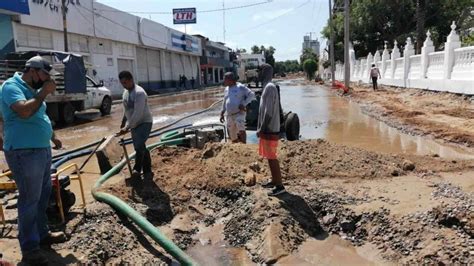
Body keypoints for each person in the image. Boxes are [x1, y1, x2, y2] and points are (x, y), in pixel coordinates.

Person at [0, 56, 65, 264]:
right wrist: (44, 92)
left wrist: (52, 136)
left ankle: (42, 235)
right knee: (29, 200)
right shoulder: (11, 86)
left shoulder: (34, 91)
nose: (47, 80)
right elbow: (26, 111)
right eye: (45, 75)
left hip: (41, 149)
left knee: (43, 195)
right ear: (33, 71)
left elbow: (41, 116)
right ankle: (29, 248)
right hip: (24, 152)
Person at [118, 71, 154, 179]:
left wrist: (126, 128)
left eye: (125, 82)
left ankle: (137, 169)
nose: (124, 85)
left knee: (139, 146)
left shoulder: (139, 93)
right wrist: (123, 121)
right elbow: (127, 109)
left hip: (144, 122)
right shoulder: (125, 92)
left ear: (131, 80)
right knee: (140, 146)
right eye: (122, 83)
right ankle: (147, 171)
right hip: (133, 124)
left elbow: (137, 113)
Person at [257, 64, 286, 196]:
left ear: (265, 72)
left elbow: (268, 113)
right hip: (268, 128)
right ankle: (274, 181)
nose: (258, 74)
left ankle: (279, 186)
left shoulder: (269, 88)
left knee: (272, 157)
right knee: (269, 157)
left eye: (259, 71)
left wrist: (262, 129)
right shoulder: (268, 87)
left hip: (269, 129)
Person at [220, 72, 255, 143]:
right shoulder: (226, 89)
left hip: (239, 113)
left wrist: (243, 104)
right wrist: (222, 111)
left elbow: (252, 95)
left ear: (231, 80)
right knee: (232, 134)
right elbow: (225, 100)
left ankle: (244, 145)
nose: (224, 81)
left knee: (241, 129)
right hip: (230, 115)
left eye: (225, 79)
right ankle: (236, 147)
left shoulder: (240, 87)